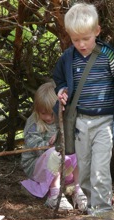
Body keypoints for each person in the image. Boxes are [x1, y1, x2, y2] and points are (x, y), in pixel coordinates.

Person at [53, 3, 114, 215]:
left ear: (97, 31)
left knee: (100, 169)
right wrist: (62, 90)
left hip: (104, 122)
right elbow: (59, 80)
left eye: (86, 38)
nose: (81, 44)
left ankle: (102, 211)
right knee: (82, 170)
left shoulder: (108, 56)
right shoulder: (68, 58)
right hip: (80, 122)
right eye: (76, 40)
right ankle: (93, 208)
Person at [20, 82, 87, 211]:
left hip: (64, 168)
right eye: (43, 113)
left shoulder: (64, 119)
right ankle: (54, 195)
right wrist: (50, 145)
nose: (48, 117)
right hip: (38, 167)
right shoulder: (33, 123)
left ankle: (79, 191)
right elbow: (33, 145)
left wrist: (62, 137)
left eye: (52, 113)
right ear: (36, 109)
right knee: (54, 153)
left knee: (79, 148)